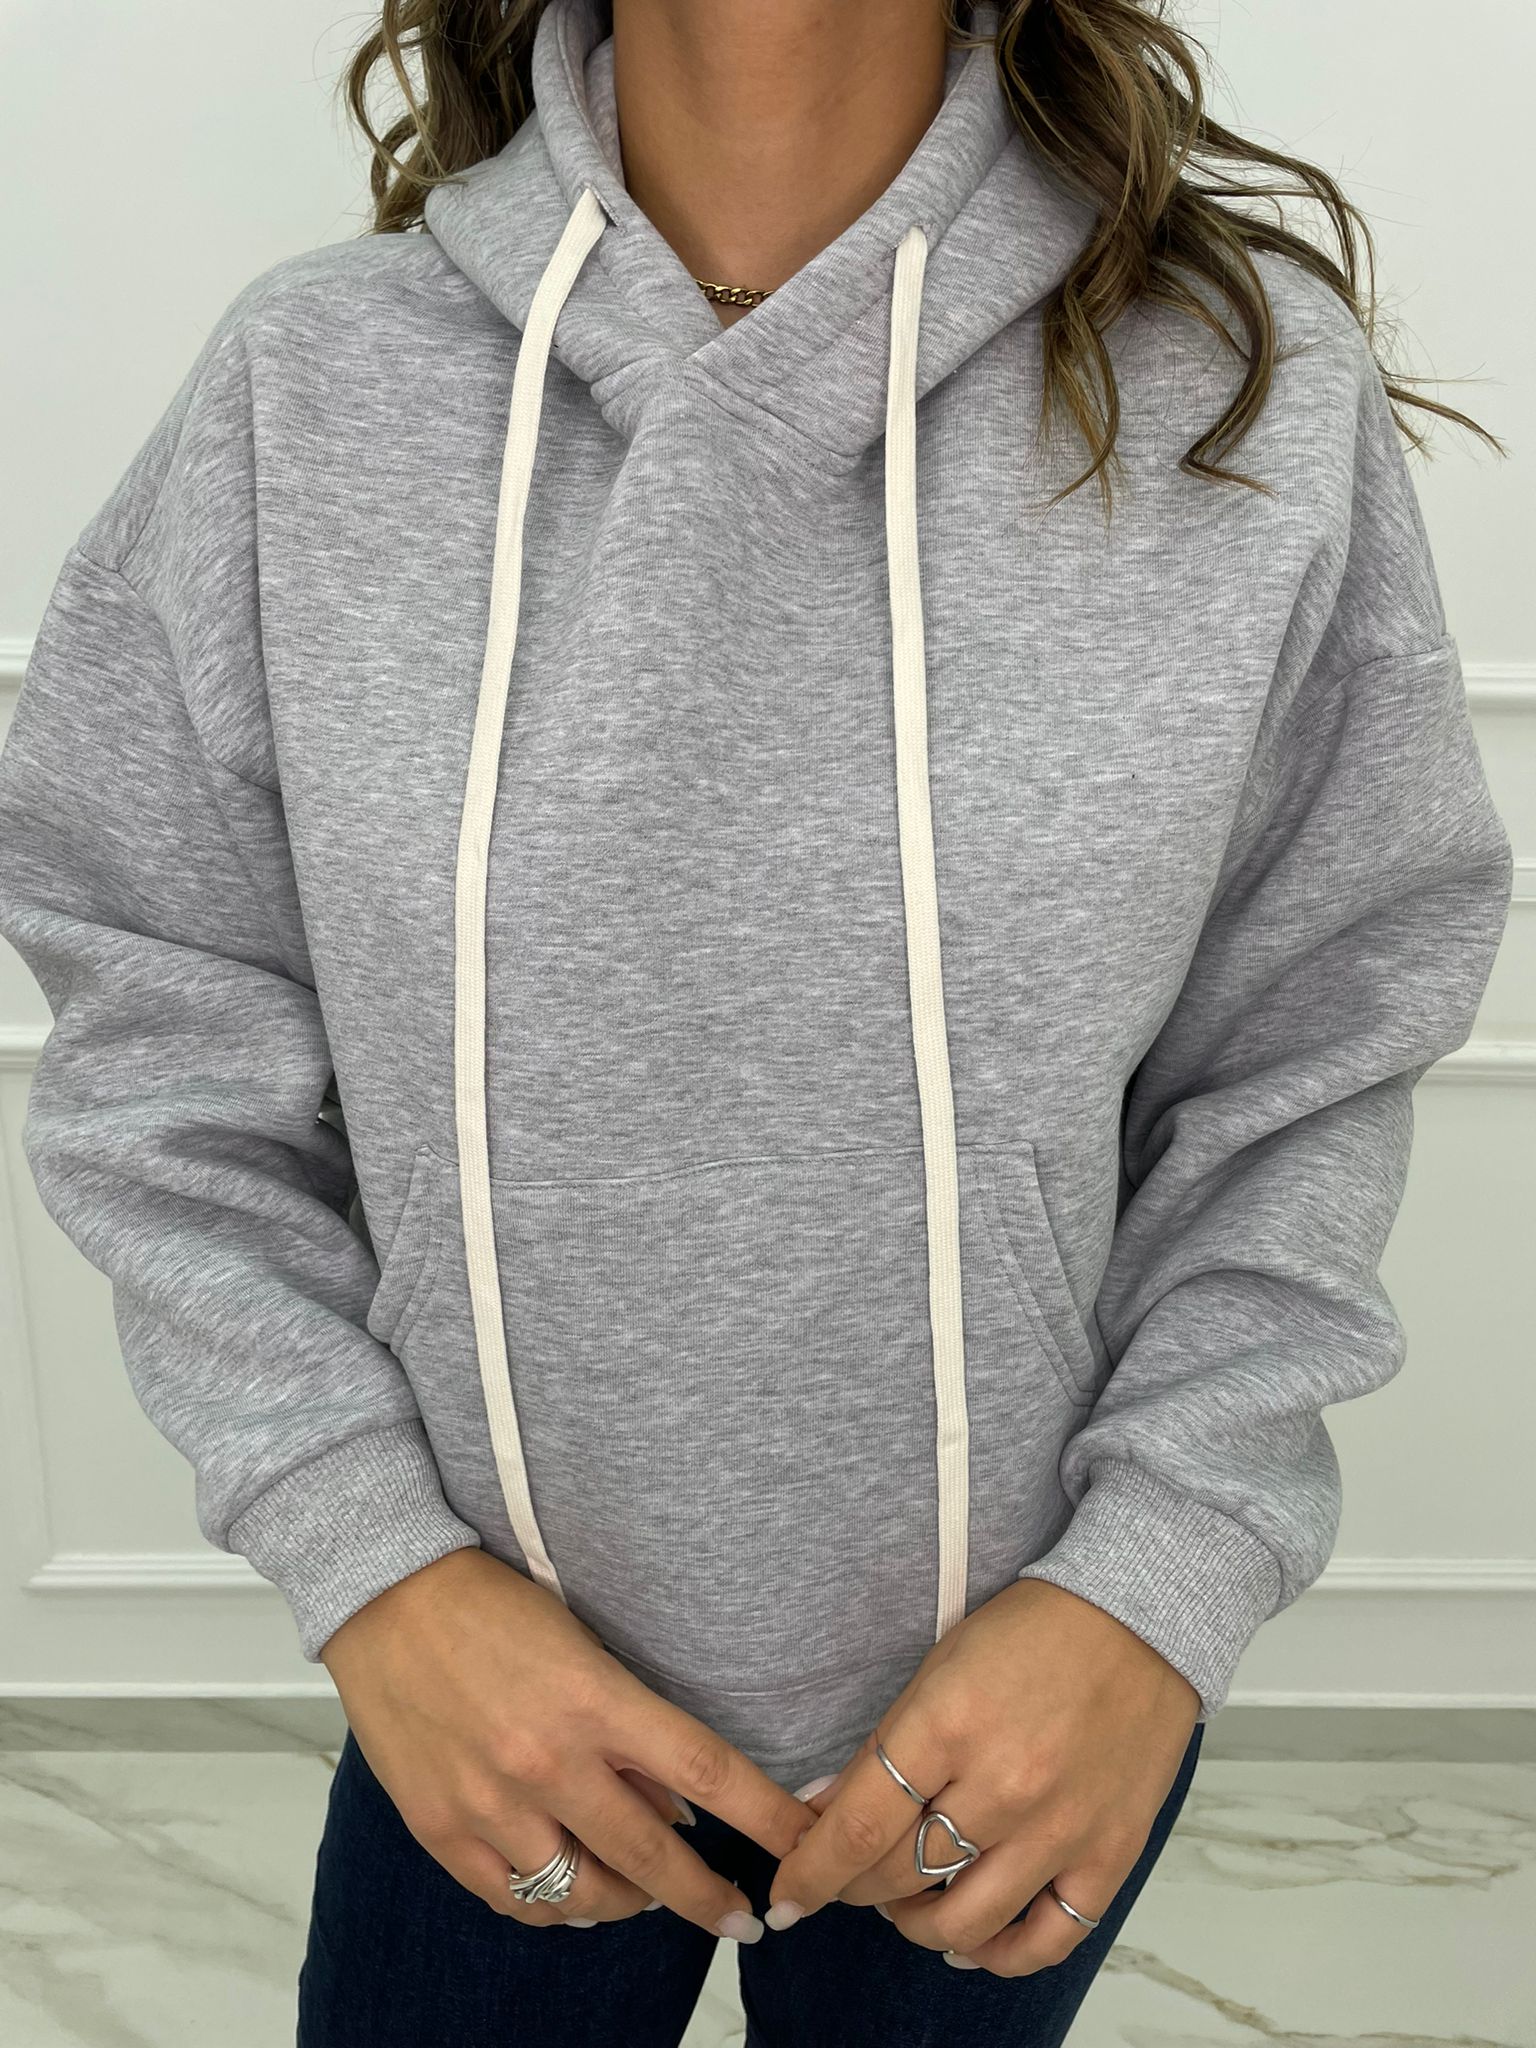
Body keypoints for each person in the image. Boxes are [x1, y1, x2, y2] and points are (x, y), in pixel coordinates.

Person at [0, 0, 1513, 2040]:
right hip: (487, 1702)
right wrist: (369, 1563)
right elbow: (159, 1031)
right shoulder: (313, 388)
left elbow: (1307, 1053)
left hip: (1024, 1715)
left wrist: (1156, 1582)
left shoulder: (1235, 394)